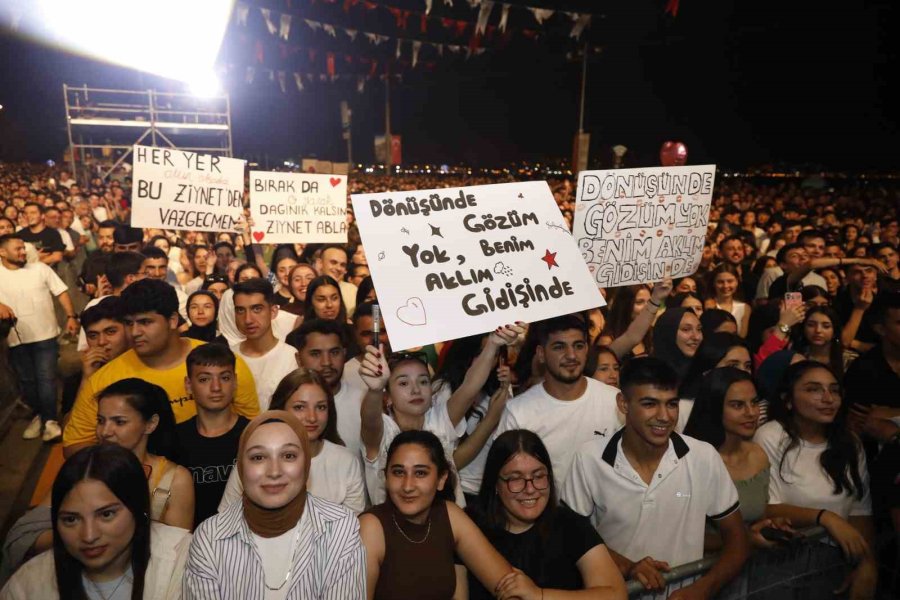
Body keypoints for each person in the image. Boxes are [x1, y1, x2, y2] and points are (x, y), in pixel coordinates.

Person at [563, 357, 749, 599]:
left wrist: (703, 589)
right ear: (623, 404)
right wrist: (628, 567)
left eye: (672, 404)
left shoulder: (702, 457)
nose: (664, 416)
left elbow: (737, 541)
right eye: (650, 404)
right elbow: (571, 538)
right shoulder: (589, 459)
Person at [63, 279, 260, 457]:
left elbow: (253, 431)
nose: (135, 332)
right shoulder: (106, 378)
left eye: (145, 322)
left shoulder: (221, 365)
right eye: (128, 323)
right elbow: (75, 445)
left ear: (173, 320)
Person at [183, 410, 366, 599]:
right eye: (258, 457)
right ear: (241, 468)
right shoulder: (209, 538)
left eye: (288, 456)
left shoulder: (340, 527)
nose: (274, 471)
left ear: (306, 464)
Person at [0, 445, 191, 600]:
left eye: (106, 514)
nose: (89, 535)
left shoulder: (186, 562)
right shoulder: (27, 585)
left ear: (137, 507)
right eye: (71, 519)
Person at [753, 361, 877, 600]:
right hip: (783, 560)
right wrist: (826, 518)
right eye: (813, 389)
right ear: (788, 399)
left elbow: (861, 511)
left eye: (834, 390)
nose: (828, 398)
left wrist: (866, 563)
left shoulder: (850, 442)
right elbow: (765, 507)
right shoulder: (771, 436)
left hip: (835, 561)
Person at [358, 324, 521, 505]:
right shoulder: (382, 431)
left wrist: (493, 343)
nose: (416, 390)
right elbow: (369, 419)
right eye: (403, 383)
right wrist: (375, 390)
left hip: (449, 523)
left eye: (423, 381)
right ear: (387, 397)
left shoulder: (438, 420)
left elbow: (469, 387)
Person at [468, 429, 627, 600]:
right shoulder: (471, 527)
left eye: (538, 476)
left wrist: (540, 596)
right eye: (515, 479)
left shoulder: (570, 525)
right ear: (495, 485)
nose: (530, 489)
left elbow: (615, 594)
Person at [358, 430, 515, 600]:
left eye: (420, 473)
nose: (408, 486)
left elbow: (508, 584)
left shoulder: (450, 515)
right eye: (398, 472)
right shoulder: (371, 527)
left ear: (441, 479)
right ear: (386, 478)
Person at [494, 315, 621, 488]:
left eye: (578, 346)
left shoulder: (615, 401)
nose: (571, 355)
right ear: (541, 354)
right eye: (559, 347)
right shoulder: (518, 412)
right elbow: (504, 477)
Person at [218, 368, 366, 514]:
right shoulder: (253, 461)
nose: (312, 417)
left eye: (321, 407)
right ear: (280, 409)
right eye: (300, 407)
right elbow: (224, 521)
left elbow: (351, 529)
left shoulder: (346, 462)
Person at [683, 368, 791, 549]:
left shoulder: (757, 455)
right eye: (737, 405)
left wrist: (770, 524)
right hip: (700, 569)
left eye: (754, 402)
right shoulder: (692, 461)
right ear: (714, 407)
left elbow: (756, 514)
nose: (751, 412)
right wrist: (743, 540)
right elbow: (678, 534)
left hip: (752, 566)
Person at [0, 234, 79, 441]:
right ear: (2, 252)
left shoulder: (40, 269)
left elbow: (61, 292)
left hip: (45, 335)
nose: (23, 251)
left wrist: (71, 316)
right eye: (17, 249)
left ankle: (50, 421)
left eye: (23, 248)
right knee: (27, 381)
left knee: (46, 378)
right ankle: (40, 416)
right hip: (15, 338)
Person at [96, 378, 195, 530]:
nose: (105, 432)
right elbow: (45, 529)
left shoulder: (174, 479)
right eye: (101, 421)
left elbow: (176, 548)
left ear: (150, 424)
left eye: (119, 422)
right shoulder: (83, 468)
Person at [176, 345, 250, 526]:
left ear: (235, 382)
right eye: (204, 379)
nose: (216, 387)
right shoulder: (173, 440)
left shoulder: (254, 435)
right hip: (191, 546)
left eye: (224, 378)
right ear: (188, 385)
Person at [291, 318, 365, 457]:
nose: (327, 362)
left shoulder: (363, 402)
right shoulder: (286, 403)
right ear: (299, 359)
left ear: (344, 353)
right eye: (316, 354)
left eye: (334, 352)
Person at [230, 278, 298, 410]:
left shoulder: (292, 358)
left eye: (256, 309)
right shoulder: (229, 357)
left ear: (273, 312)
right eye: (240, 311)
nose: (248, 319)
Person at [651, 307, 703, 382]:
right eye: (686, 329)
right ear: (668, 333)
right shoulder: (649, 375)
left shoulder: (704, 372)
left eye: (699, 329)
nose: (696, 337)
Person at [705, 264, 751, 338]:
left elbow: (742, 337)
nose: (725, 286)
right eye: (720, 282)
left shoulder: (745, 308)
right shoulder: (706, 305)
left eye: (730, 281)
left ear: (737, 282)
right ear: (713, 283)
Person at [16, 203, 64, 267]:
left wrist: (33, 262)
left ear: (42, 215)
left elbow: (57, 257)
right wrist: (36, 257)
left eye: (33, 213)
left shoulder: (53, 234)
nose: (28, 216)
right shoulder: (20, 234)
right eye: (26, 213)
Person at [316, 245, 358, 316]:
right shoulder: (308, 287)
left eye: (342, 265)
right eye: (333, 262)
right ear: (320, 263)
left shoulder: (353, 291)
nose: (338, 268)